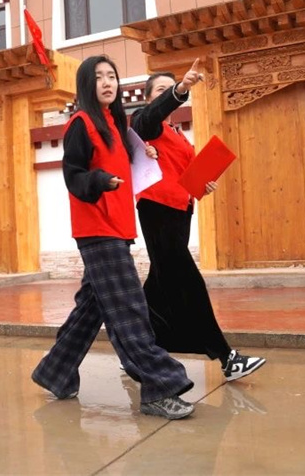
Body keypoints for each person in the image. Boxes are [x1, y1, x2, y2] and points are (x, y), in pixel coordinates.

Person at [31, 55, 195, 420]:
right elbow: (73, 174)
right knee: (129, 310)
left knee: (91, 308)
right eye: (99, 77)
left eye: (112, 76)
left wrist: (176, 96)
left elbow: (149, 118)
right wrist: (99, 181)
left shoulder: (116, 123)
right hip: (97, 228)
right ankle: (159, 387)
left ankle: (55, 372)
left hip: (119, 227)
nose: (107, 82)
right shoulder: (81, 123)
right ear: (86, 84)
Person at [131, 60, 266, 382]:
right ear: (149, 98)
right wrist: (180, 89)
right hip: (157, 207)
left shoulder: (177, 134)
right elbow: (148, 117)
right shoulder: (145, 123)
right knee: (187, 280)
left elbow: (185, 174)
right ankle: (226, 356)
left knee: (158, 284)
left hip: (181, 209)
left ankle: (136, 350)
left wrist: (203, 183)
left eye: (169, 89)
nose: (166, 94)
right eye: (160, 90)